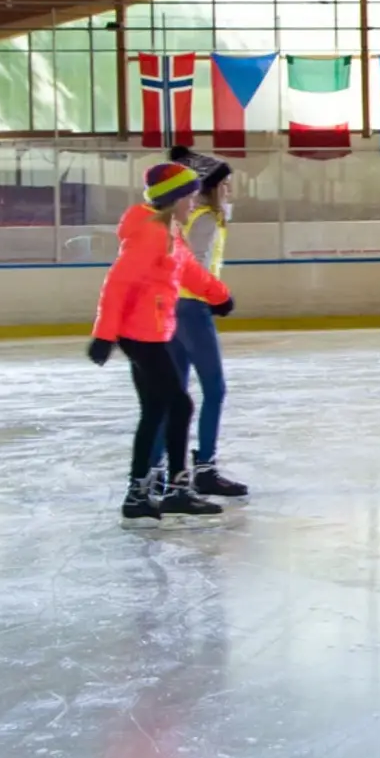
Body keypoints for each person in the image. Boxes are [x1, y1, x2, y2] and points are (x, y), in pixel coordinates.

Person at [88, 161, 236, 527]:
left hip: (152, 330)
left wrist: (219, 295)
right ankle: (175, 490)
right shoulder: (152, 233)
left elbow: (187, 269)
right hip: (140, 334)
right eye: (187, 195)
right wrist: (104, 334)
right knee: (179, 404)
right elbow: (118, 283)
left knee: (157, 409)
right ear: (174, 198)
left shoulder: (168, 230)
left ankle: (141, 493)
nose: (192, 201)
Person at [150, 147, 249, 500]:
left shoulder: (187, 218)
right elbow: (194, 266)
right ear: (215, 187)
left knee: (174, 393)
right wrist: (217, 295)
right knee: (214, 389)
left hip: (170, 308)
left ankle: (155, 470)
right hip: (192, 309)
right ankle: (204, 468)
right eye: (227, 184)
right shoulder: (205, 219)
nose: (231, 190)